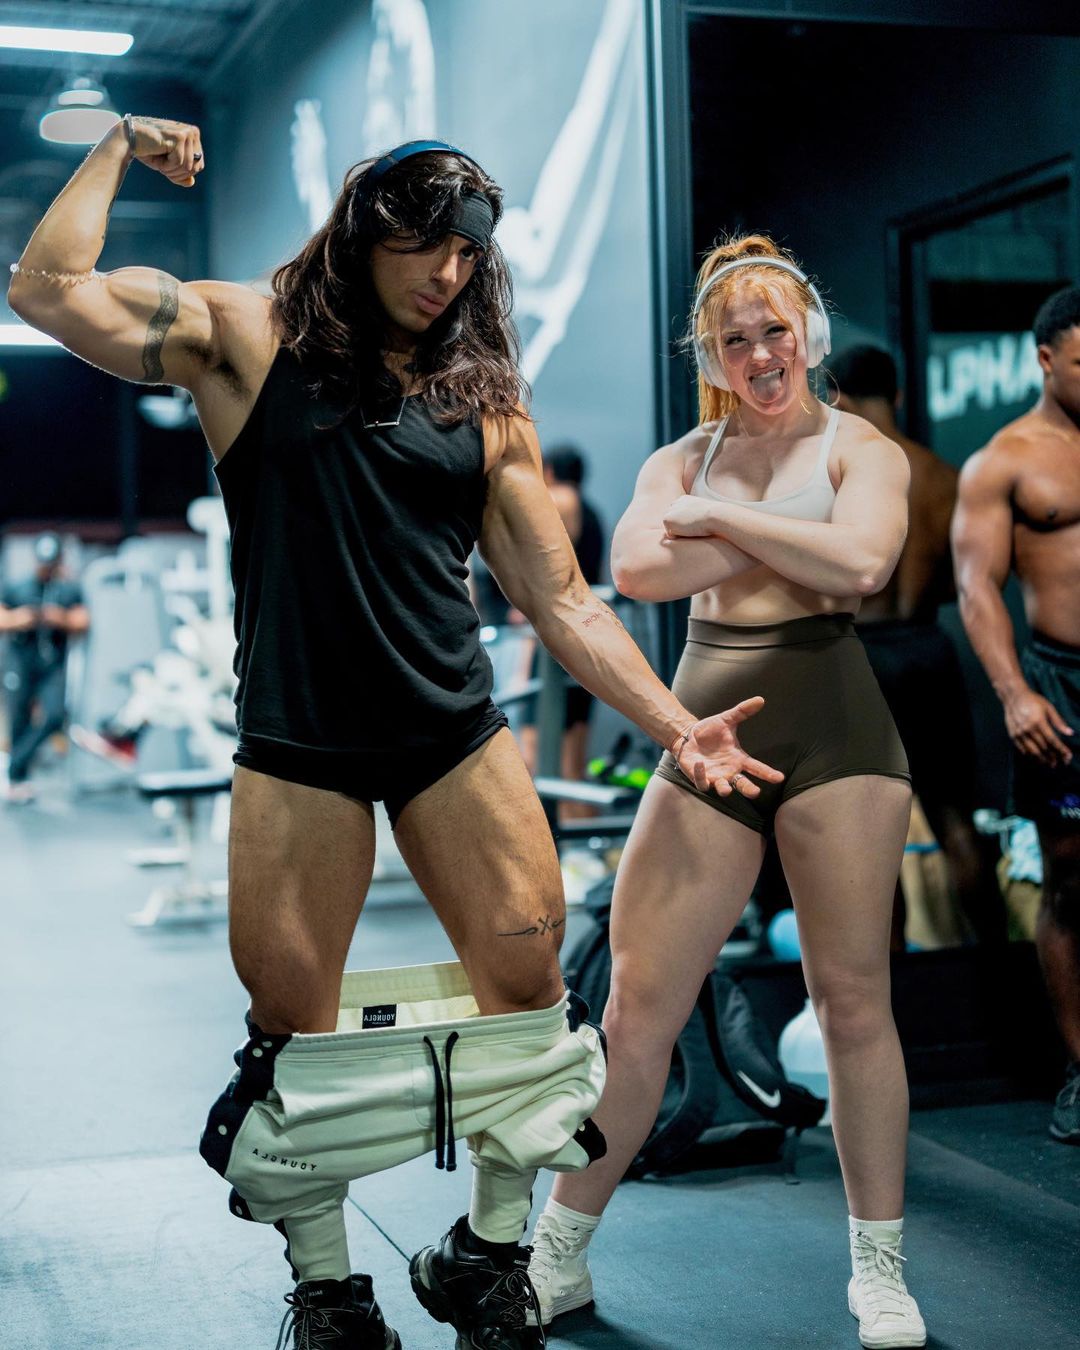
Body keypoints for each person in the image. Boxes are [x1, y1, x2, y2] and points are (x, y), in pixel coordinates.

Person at [8, 119, 783, 1350]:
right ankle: (328, 1290)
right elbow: (46, 289)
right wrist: (112, 147)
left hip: (450, 735)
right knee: (294, 1041)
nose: (449, 274)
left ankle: (482, 1257)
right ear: (369, 228)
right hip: (297, 744)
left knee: (531, 1002)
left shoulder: (482, 399)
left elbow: (563, 600)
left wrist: (677, 726)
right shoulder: (244, 336)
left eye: (470, 255)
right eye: (429, 246)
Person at [527, 235, 928, 1350]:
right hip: (703, 731)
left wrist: (724, 522)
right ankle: (556, 1256)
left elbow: (864, 568)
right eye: (734, 339)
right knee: (635, 1011)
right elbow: (640, 571)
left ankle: (881, 1272)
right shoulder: (680, 458)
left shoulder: (861, 448)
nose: (759, 354)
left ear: (810, 335)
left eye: (774, 331)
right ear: (710, 355)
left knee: (853, 1004)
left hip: (837, 727)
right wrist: (796, 539)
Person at [952, 285, 1080, 1147]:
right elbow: (976, 586)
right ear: (1045, 359)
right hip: (1062, 686)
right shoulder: (1003, 461)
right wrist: (1013, 691)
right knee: (1072, 880)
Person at [831, 344, 1004, 946]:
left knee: (870, 831)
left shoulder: (842, 477)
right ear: (898, 395)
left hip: (864, 653)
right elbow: (967, 581)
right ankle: (995, 966)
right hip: (930, 647)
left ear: (838, 398)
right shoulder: (945, 477)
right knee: (955, 817)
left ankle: (892, 978)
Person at [515, 445, 605, 817]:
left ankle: (566, 844)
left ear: (549, 470)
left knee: (540, 757)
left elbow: (545, 567)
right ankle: (588, 845)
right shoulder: (590, 509)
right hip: (586, 633)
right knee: (572, 765)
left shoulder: (559, 500)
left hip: (559, 636)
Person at [0, 531, 89, 802]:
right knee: (19, 717)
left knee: (54, 715)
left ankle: (15, 761)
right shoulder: (18, 587)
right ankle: (17, 778)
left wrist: (58, 618)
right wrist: (20, 618)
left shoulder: (67, 590)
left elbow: (82, 621)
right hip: (20, 662)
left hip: (52, 666)